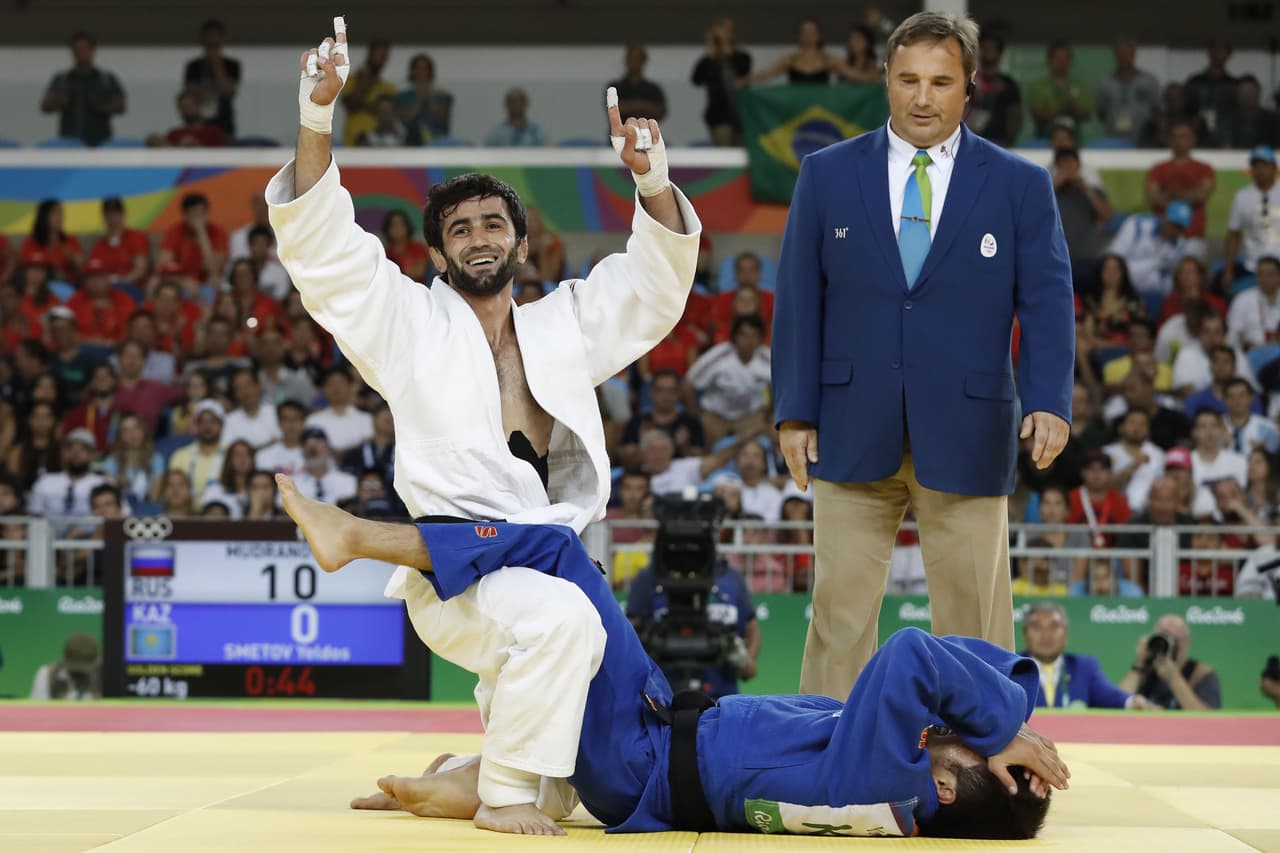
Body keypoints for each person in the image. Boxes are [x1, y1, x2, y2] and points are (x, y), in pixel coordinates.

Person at [270, 18, 699, 833]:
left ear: (522, 243)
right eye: (459, 229)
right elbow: (325, 253)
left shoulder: (562, 327)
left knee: (589, 763)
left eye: (492, 224)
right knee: (559, 628)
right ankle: (500, 794)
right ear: (436, 255)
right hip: (456, 572)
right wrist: (317, 116)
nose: (477, 238)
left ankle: (466, 775)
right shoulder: (407, 324)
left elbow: (652, 291)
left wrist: (651, 183)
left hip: (553, 560)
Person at [278, 479, 1067, 839]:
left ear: (941, 785)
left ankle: (359, 537)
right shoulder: (895, 793)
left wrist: (1002, 726)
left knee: (556, 550)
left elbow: (913, 656)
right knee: (557, 570)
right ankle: (459, 781)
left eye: (958, 741)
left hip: (640, 762)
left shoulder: (886, 776)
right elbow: (957, 668)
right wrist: (1015, 705)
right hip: (656, 733)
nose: (942, 726)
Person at [773, 12, 1075, 697]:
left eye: (941, 82)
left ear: (970, 88)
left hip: (969, 427)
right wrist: (794, 410)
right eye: (907, 79)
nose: (922, 97)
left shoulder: (1019, 184)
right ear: (884, 80)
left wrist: (1051, 399)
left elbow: (1050, 300)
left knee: (974, 616)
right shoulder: (825, 175)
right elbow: (797, 300)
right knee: (838, 614)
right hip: (850, 423)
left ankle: (984, 768)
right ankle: (827, 760)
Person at [626, 551, 759, 700]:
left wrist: (747, 660)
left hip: (722, 696)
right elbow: (629, 632)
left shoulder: (731, 577)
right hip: (663, 696)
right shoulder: (649, 578)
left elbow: (751, 626)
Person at [1019, 602, 1148, 709]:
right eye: (1037, 627)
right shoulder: (1013, 669)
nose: (1046, 635)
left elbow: (1111, 696)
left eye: (1054, 627)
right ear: (1025, 635)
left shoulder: (1084, 667)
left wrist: (1133, 702)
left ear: (1066, 635)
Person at [1118, 613, 1222, 710]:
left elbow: (1208, 718)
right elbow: (1117, 704)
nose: (1168, 644)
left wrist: (1174, 678)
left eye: (1175, 639)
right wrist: (1138, 665)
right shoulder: (1144, 671)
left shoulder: (1202, 673)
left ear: (1187, 642)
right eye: (1163, 637)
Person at [39, 31, 126, 147]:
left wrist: (98, 105)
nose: (81, 53)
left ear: (92, 50)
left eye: (85, 49)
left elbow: (121, 106)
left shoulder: (106, 79)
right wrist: (61, 101)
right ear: (72, 51)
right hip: (68, 143)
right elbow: (45, 106)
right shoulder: (62, 79)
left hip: (100, 142)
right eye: (77, 49)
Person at [691, 17, 751, 147]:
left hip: (742, 114)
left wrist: (725, 47)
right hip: (719, 116)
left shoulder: (742, 57)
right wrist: (711, 50)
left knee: (745, 153)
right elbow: (697, 79)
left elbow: (743, 71)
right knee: (725, 151)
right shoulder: (710, 60)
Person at [1093, 38, 1159, 145]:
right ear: (1115, 55)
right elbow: (1101, 113)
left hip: (1143, 139)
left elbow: (1155, 109)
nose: (1124, 57)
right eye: (1121, 54)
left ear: (1133, 54)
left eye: (1127, 53)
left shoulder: (1149, 80)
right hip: (1114, 138)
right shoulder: (1104, 83)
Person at [183, 19, 242, 137]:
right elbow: (190, 92)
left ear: (222, 38)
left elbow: (228, 90)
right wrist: (210, 93)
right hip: (198, 121)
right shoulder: (193, 66)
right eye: (208, 36)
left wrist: (216, 62)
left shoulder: (232, 65)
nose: (212, 39)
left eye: (215, 36)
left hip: (223, 120)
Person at [965, 32, 1021, 149]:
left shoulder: (1008, 84)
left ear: (1000, 54)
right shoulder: (969, 81)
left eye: (992, 48)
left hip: (1001, 144)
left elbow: (1015, 115)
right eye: (985, 48)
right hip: (972, 142)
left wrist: (1010, 142)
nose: (988, 52)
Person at [29, 633, 102, 700]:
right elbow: (37, 711)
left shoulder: (106, 676)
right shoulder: (47, 674)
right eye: (75, 669)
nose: (79, 674)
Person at [608, 43, 667, 123]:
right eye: (631, 59)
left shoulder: (653, 89)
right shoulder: (615, 87)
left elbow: (660, 112)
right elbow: (615, 109)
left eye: (637, 59)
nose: (634, 63)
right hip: (621, 133)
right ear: (626, 61)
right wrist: (644, 105)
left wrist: (631, 106)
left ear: (643, 61)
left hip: (646, 133)